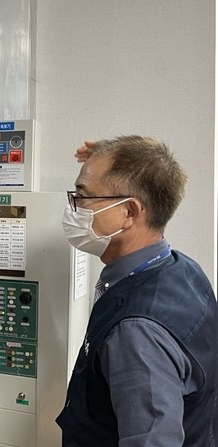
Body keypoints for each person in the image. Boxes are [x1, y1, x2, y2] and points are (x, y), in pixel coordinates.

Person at [56, 136, 218, 446]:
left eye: (83, 196)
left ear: (129, 212)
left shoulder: (136, 331)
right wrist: (118, 153)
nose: (74, 207)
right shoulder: (182, 269)